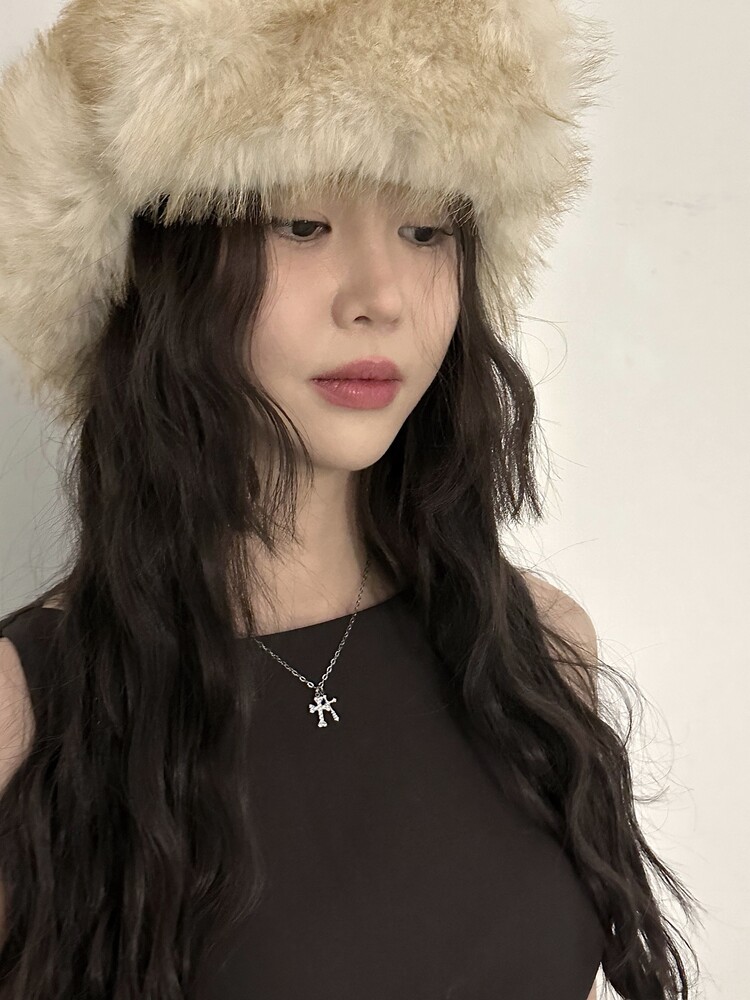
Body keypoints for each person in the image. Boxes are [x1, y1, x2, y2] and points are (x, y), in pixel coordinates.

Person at [0, 1, 702, 998]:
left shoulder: (538, 651)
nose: (381, 295)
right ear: (158, 264)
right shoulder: (28, 715)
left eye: (425, 229)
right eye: (302, 223)